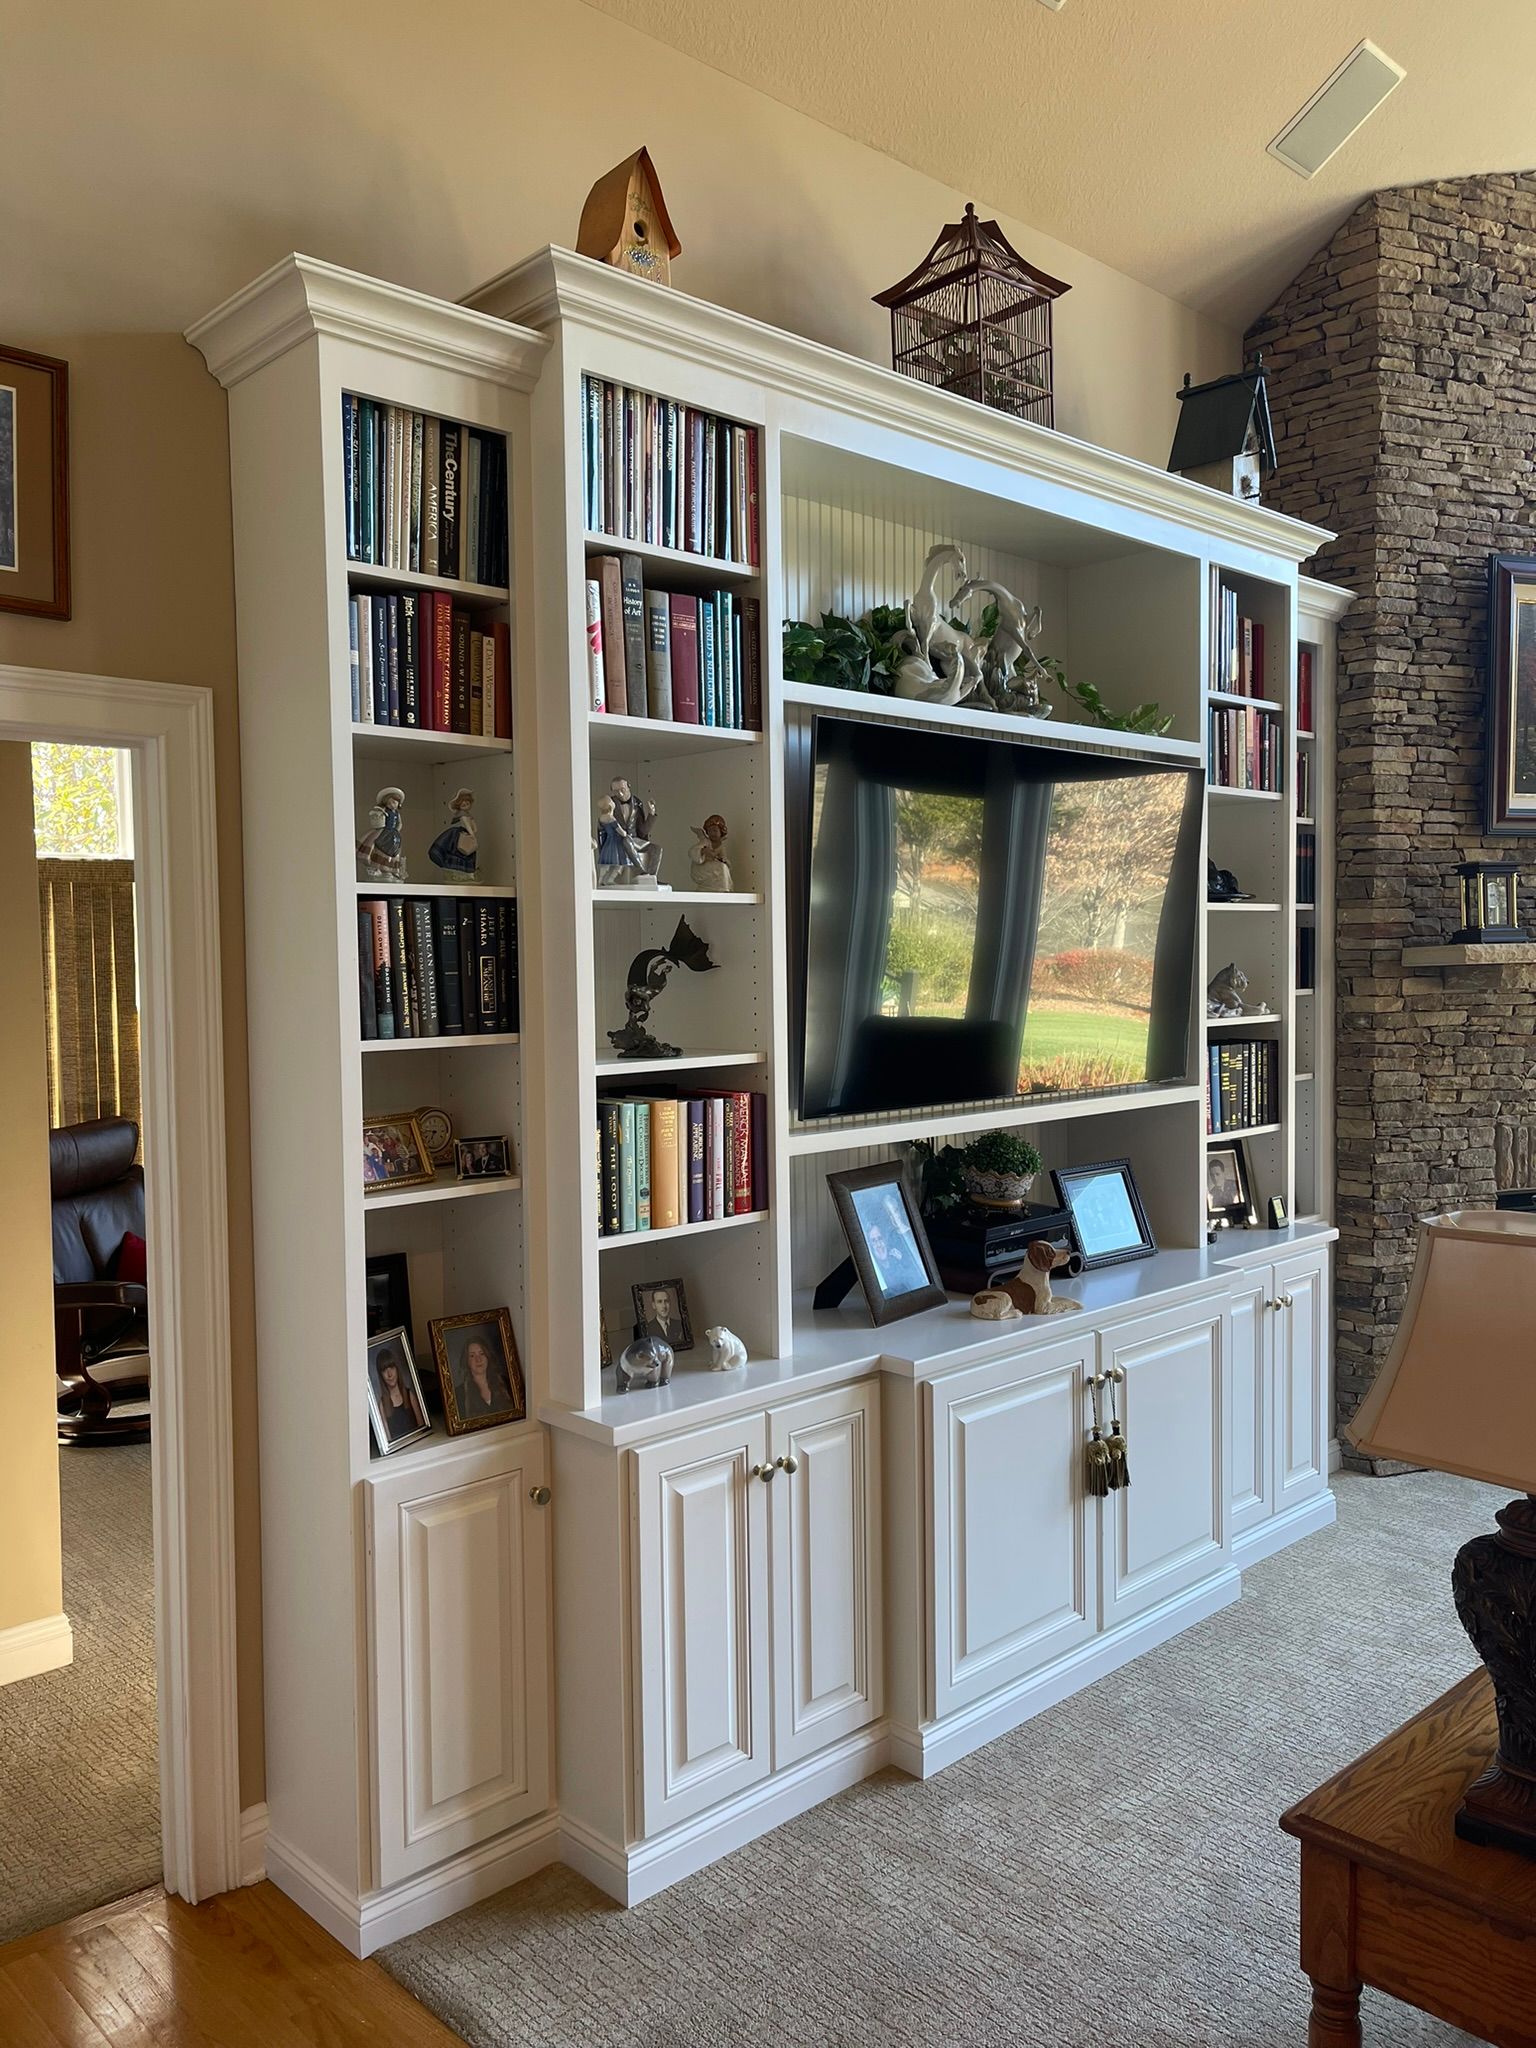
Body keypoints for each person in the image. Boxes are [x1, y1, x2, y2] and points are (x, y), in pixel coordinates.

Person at [457, 1335, 512, 1419]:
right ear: (467, 1361)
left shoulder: (506, 1383)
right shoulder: (459, 1394)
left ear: (487, 1356)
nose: (478, 1359)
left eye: (482, 1353)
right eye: (472, 1356)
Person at [374, 1350, 422, 1441]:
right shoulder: (382, 1405)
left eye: (392, 1367)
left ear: (397, 1369)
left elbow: (422, 1428)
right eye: (384, 1370)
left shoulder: (409, 1395)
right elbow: (387, 1440)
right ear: (381, 1375)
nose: (389, 1374)